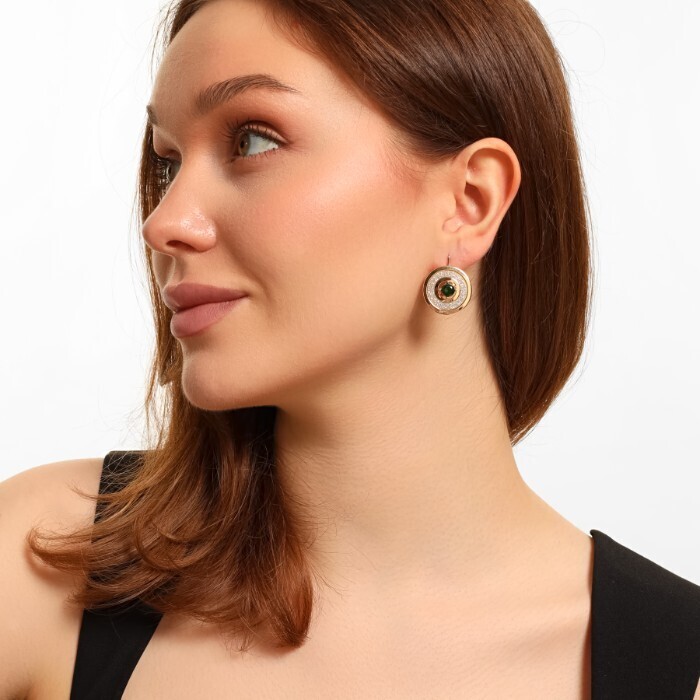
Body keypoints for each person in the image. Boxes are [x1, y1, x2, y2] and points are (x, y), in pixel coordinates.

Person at [1, 0, 698, 698]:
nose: (164, 222)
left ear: (470, 201)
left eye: (252, 140)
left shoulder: (674, 668)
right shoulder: (40, 566)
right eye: (167, 162)